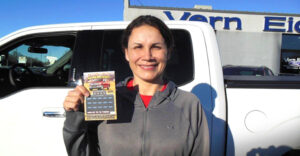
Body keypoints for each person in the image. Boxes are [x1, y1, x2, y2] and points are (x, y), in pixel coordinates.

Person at [63, 15, 210, 156]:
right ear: (126, 53)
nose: (147, 56)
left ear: (168, 52)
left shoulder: (189, 104)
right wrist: (75, 116)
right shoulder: (104, 99)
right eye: (138, 47)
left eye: (156, 47)